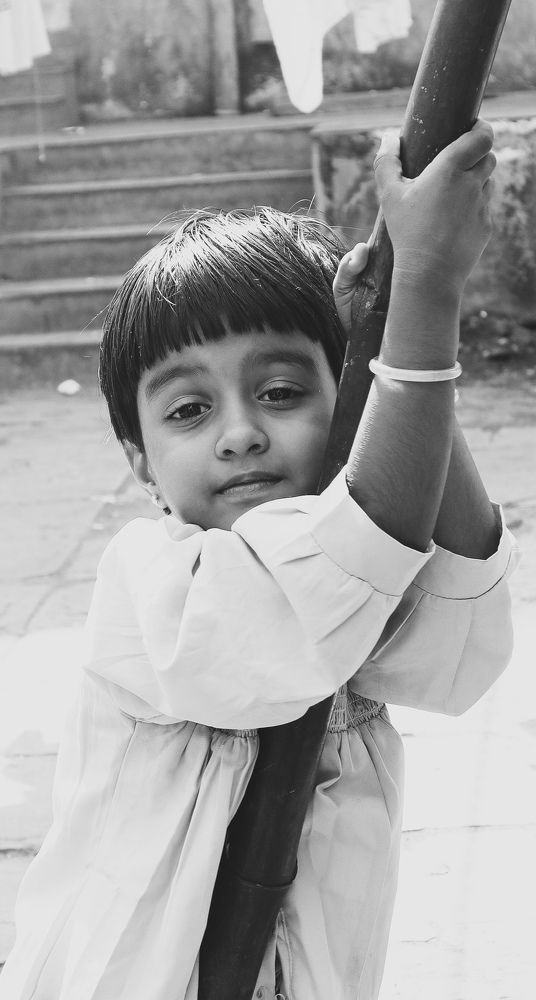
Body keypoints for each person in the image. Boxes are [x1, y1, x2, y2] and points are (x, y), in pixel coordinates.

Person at [0, 120, 519, 1000]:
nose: (241, 434)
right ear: (142, 465)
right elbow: (330, 576)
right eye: (189, 411)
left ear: (350, 401)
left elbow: (459, 641)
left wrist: (398, 357)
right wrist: (428, 291)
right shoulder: (153, 585)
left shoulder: (348, 574)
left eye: (281, 393)